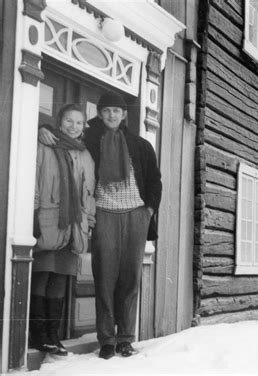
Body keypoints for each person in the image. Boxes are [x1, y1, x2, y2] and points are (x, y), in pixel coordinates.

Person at [39, 92, 162, 360]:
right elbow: (64, 137)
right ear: (100, 113)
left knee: (130, 278)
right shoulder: (91, 140)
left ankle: (125, 338)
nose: (111, 115)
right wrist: (44, 128)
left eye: (116, 111)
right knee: (105, 277)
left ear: (124, 114)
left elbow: (155, 181)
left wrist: (148, 211)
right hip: (105, 214)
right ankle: (107, 339)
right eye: (106, 111)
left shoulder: (140, 145)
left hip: (136, 216)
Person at [32, 104, 96, 356]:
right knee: (41, 277)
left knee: (59, 281)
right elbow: (34, 182)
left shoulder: (86, 155)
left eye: (79, 122)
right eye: (69, 121)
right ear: (60, 123)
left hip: (74, 227)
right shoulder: (44, 146)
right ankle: (38, 337)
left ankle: (53, 336)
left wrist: (89, 220)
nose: (74, 126)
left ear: (83, 127)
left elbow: (89, 193)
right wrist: (32, 216)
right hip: (48, 222)